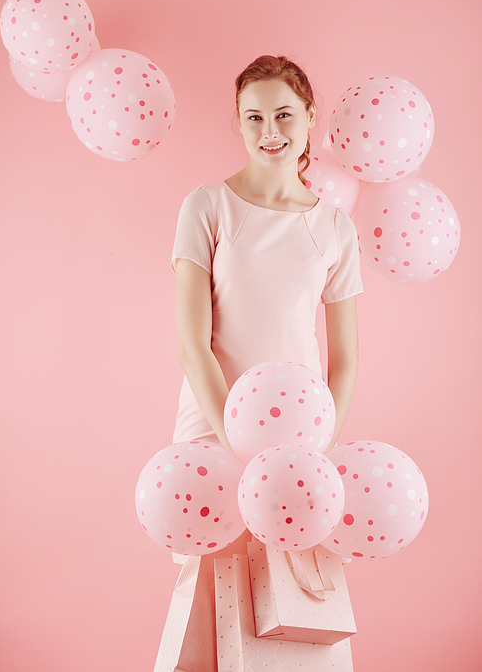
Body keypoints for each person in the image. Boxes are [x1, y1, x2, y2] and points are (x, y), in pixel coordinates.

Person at [154, 55, 363, 672]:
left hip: (299, 438)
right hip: (212, 429)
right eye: (254, 117)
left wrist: (317, 447)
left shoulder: (335, 228)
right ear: (239, 124)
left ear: (308, 119)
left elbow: (346, 358)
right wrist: (235, 437)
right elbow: (192, 339)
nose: (269, 129)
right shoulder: (206, 206)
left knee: (294, 602)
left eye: (283, 115)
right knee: (210, 600)